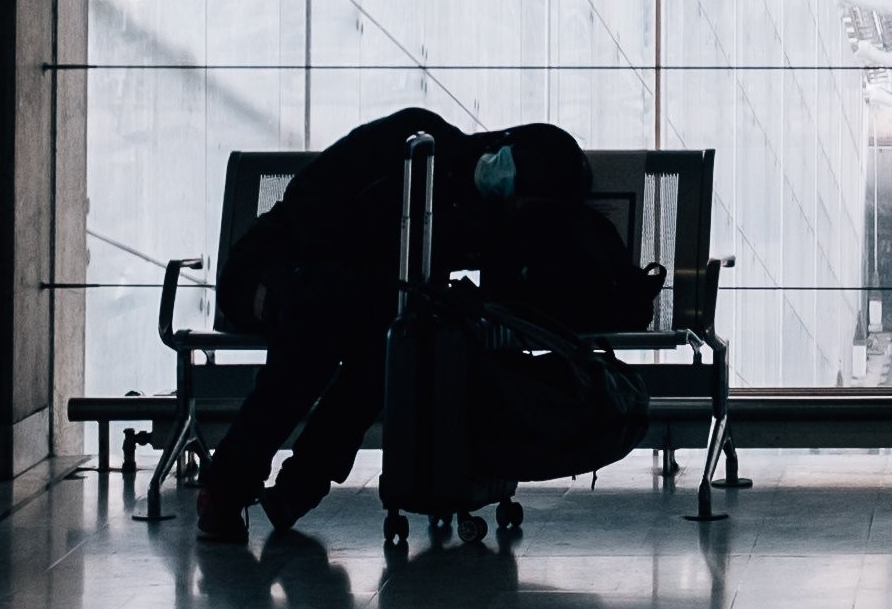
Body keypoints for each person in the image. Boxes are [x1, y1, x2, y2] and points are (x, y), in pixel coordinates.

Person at [193, 110, 638, 544]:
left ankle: (287, 483)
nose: (512, 202)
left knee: (393, 343)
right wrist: (358, 271)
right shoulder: (412, 136)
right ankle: (241, 484)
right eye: (519, 188)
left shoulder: (479, 215)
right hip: (268, 270)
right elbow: (311, 201)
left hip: (353, 302)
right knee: (325, 311)